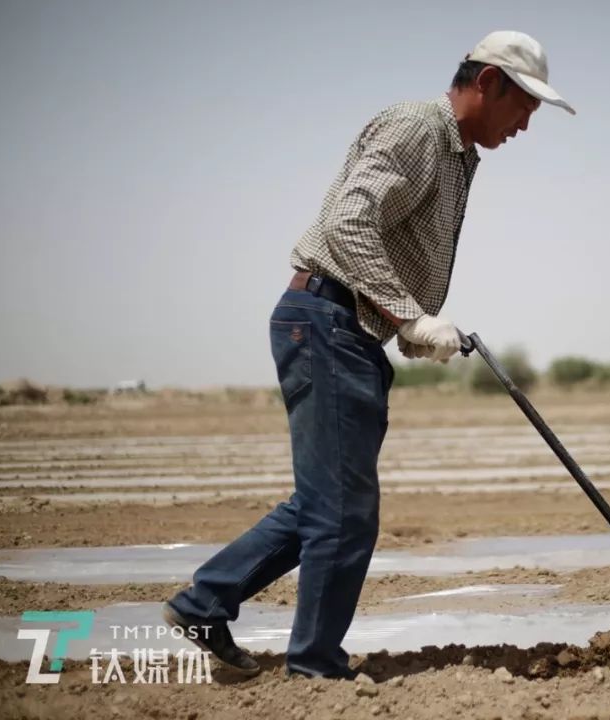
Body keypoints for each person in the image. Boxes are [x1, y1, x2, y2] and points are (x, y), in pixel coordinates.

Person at [162, 30, 574, 679]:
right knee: (344, 511)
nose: (527, 124)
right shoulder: (418, 127)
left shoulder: (459, 155)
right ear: (490, 82)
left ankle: (206, 601)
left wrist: (407, 326)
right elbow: (347, 226)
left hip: (342, 327)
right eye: (525, 105)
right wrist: (410, 316)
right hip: (325, 322)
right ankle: (315, 669)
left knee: (324, 502)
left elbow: (375, 244)